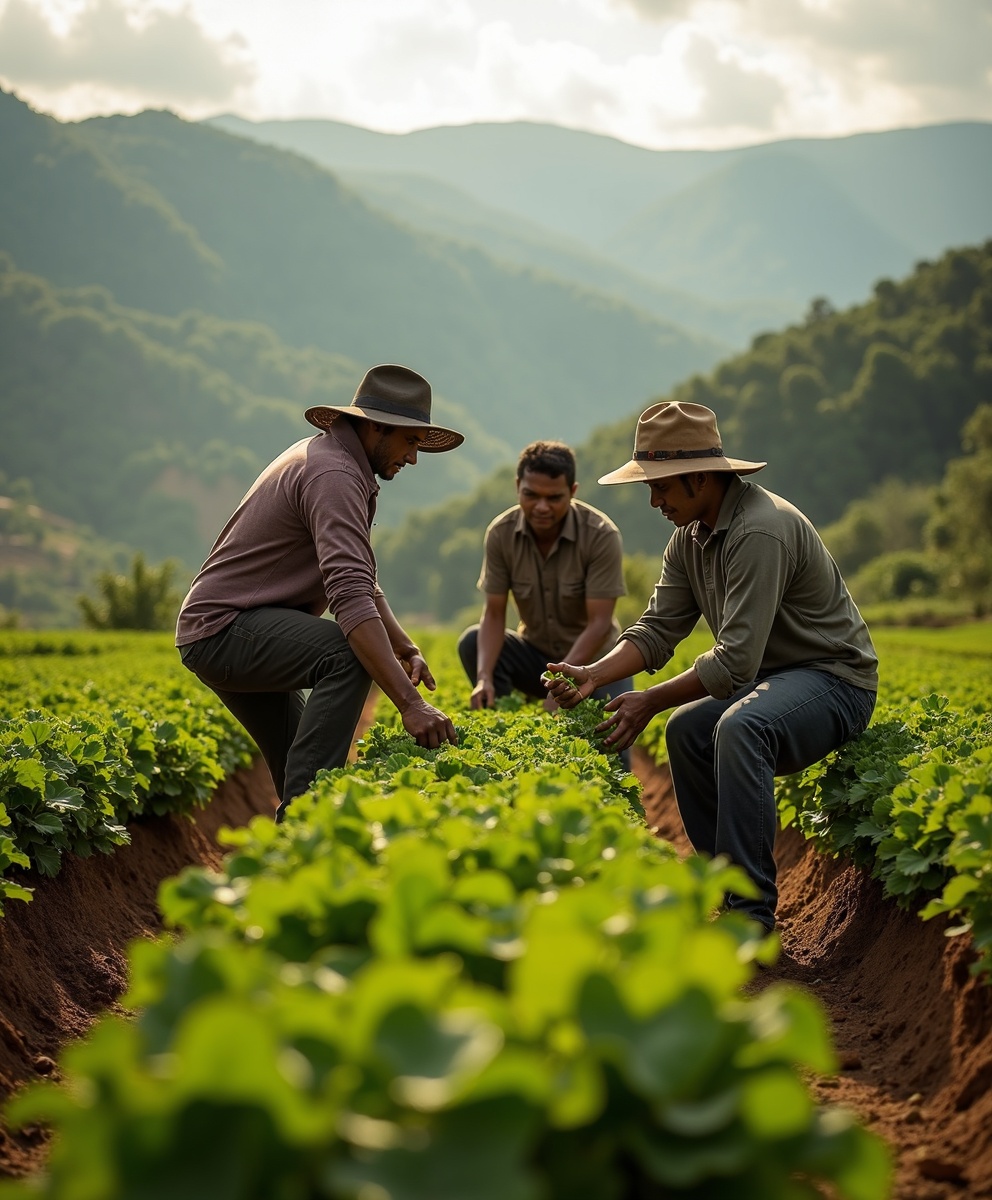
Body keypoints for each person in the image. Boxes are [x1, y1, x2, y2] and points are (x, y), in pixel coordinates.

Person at [545, 402, 878, 932]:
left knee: (739, 727)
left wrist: (649, 699)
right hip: (773, 681)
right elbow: (657, 629)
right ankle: (726, 888)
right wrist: (595, 674)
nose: (653, 500)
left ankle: (751, 915)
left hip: (834, 682)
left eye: (661, 487)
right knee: (687, 731)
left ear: (699, 478)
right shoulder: (690, 537)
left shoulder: (758, 532)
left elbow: (736, 660)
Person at [176, 364, 462, 821]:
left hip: (235, 628)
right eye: (410, 441)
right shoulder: (334, 474)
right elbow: (349, 595)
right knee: (349, 656)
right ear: (376, 428)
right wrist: (410, 705)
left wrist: (401, 642)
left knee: (301, 767)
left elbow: (358, 574)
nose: (413, 457)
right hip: (227, 629)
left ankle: (298, 844)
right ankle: (306, 828)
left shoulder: (333, 461)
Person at [457, 439, 633, 720]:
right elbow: (493, 613)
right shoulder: (501, 534)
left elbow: (599, 624)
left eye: (554, 498)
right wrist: (484, 677)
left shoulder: (601, 535)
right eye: (531, 495)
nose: (541, 507)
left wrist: (562, 685)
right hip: (537, 657)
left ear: (572, 492)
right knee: (472, 640)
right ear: (517, 487)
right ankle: (502, 723)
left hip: (596, 663)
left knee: (612, 751)